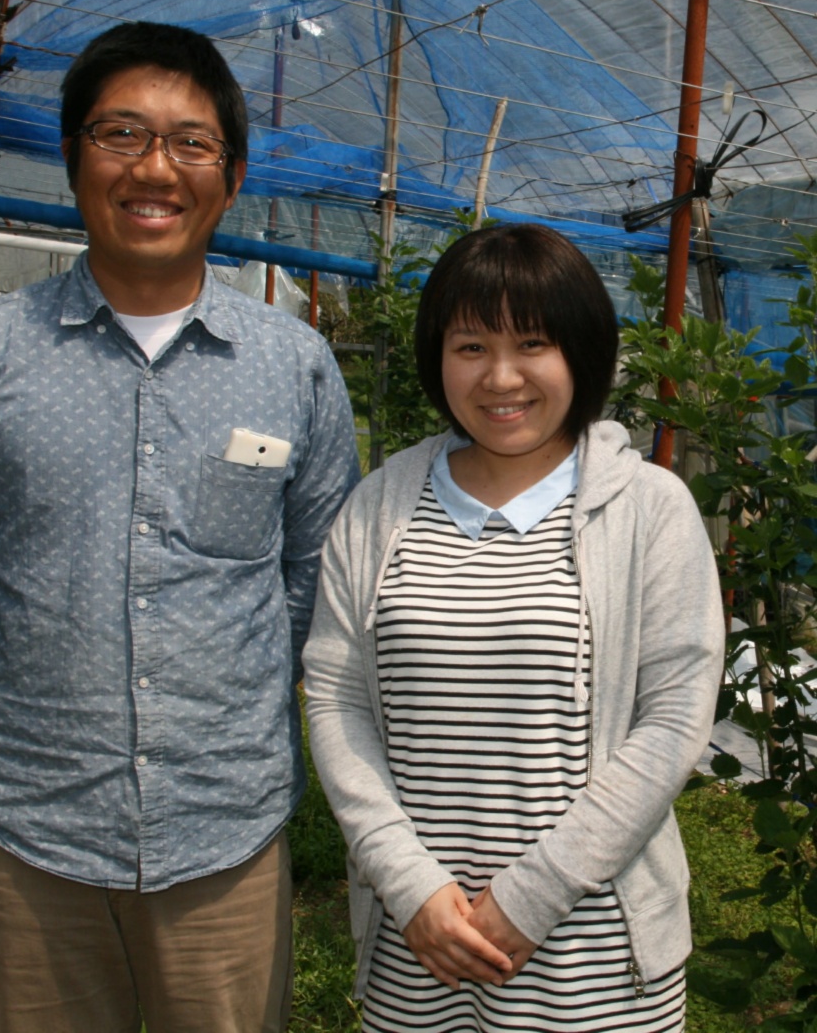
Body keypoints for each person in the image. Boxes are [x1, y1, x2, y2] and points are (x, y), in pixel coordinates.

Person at [0, 21, 359, 1033]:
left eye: (191, 142)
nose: (155, 167)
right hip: (30, 823)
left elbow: (317, 564)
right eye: (121, 133)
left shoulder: (294, 365)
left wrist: (231, 696)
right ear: (70, 158)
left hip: (221, 823)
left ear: (229, 179)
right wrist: (21, 690)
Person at [303, 224, 725, 1031]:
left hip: (592, 954)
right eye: (470, 346)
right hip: (419, 944)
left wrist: (529, 898)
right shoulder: (381, 506)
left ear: (582, 354)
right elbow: (335, 699)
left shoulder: (648, 509)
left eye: (533, 343)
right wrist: (410, 885)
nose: (501, 377)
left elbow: (673, 720)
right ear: (437, 356)